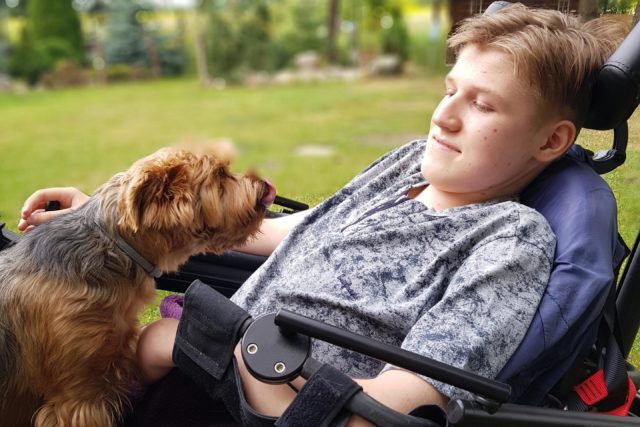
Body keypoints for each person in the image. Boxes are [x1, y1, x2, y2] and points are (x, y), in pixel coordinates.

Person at [19, 4, 628, 426]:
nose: (443, 117)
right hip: (189, 372)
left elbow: (393, 411)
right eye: (450, 89)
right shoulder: (412, 163)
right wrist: (113, 222)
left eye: (483, 104)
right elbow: (308, 230)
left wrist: (186, 343)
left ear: (551, 142)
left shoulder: (509, 240)